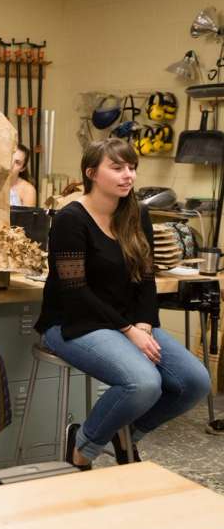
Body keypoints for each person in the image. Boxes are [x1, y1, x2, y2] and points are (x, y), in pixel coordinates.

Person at [35, 138, 209, 470]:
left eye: (131, 168)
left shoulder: (136, 213)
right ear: (91, 173)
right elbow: (75, 291)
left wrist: (144, 324)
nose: (128, 175)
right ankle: (84, 444)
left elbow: (145, 275)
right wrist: (129, 330)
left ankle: (123, 433)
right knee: (143, 383)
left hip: (127, 322)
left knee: (195, 382)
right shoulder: (71, 220)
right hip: (72, 322)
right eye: (117, 168)